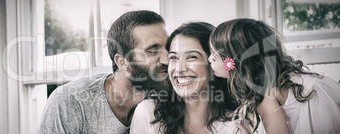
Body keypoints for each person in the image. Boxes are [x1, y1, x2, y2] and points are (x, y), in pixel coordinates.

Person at [38, 10, 170, 134]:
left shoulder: (169, 95)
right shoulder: (70, 102)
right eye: (152, 51)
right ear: (122, 62)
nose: (167, 60)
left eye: (169, 48)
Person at [208, 18, 340, 134]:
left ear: (234, 62)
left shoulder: (267, 92)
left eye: (214, 56)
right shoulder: (263, 86)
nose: (208, 59)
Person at [130, 22, 266, 134]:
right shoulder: (148, 113)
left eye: (192, 57)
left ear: (214, 63)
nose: (179, 69)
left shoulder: (238, 125)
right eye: (174, 58)